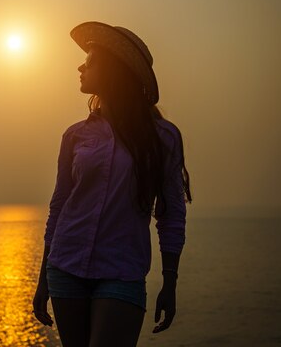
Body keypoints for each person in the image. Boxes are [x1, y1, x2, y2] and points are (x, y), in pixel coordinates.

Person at [32, 21, 192, 347]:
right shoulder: (75, 135)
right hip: (65, 266)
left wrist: (170, 282)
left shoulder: (163, 138)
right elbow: (60, 205)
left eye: (89, 60)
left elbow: (171, 214)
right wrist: (42, 279)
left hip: (121, 272)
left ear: (113, 70)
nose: (80, 66)